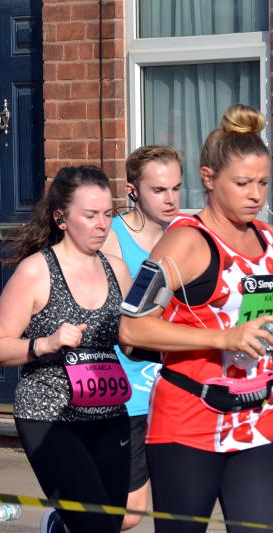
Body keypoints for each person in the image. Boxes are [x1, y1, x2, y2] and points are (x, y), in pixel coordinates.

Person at [120, 104, 273, 532]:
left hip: (256, 419)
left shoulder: (268, 239)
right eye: (242, 183)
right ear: (208, 179)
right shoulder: (185, 241)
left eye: (262, 183)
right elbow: (131, 328)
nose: (255, 195)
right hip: (189, 423)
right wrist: (225, 340)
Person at [0, 166, 133, 533]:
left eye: (108, 214)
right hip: (49, 414)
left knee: (111, 524)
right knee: (94, 526)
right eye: (90, 215)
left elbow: (132, 340)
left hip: (108, 412)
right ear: (61, 218)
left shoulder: (117, 269)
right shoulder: (37, 271)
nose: (102, 225)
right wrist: (46, 344)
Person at [100, 145, 182, 530]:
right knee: (130, 512)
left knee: (177, 500)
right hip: (129, 385)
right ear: (132, 189)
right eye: (159, 190)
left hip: (177, 387)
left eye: (176, 189)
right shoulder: (112, 238)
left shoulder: (186, 234)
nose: (170, 199)